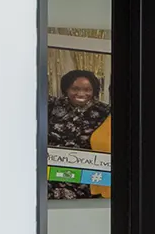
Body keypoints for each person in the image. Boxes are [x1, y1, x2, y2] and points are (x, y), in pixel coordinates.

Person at [48, 68, 111, 200]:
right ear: (66, 89)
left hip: (86, 179)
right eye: (75, 89)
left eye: (87, 89)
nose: (81, 93)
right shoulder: (52, 105)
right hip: (52, 175)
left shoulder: (104, 111)